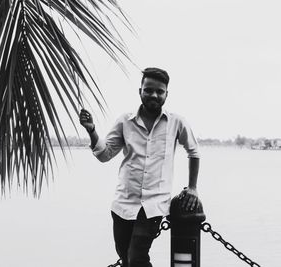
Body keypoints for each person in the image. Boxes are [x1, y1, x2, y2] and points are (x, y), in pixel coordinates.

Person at [79, 67, 200, 267]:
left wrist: (193, 188)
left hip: (153, 206)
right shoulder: (125, 122)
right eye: (149, 89)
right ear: (140, 91)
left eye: (160, 91)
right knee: (126, 259)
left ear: (166, 94)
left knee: (137, 257)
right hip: (123, 204)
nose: (154, 94)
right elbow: (104, 154)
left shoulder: (177, 123)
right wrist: (92, 130)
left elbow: (193, 152)